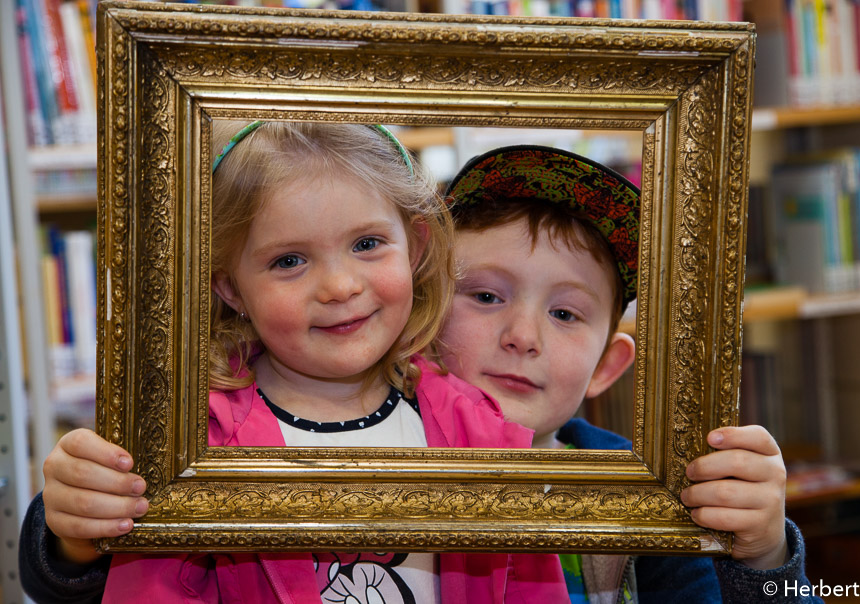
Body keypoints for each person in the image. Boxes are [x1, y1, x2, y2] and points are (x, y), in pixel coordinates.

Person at [18, 122, 568, 603]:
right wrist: (75, 526)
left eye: (368, 244)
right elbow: (122, 578)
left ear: (416, 245)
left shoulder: (479, 429)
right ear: (231, 288)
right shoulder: (192, 436)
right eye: (289, 260)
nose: (339, 286)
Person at [437, 145, 822, 603]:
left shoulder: (647, 496)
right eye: (485, 297)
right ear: (422, 317)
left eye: (564, 312)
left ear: (606, 366)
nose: (523, 336)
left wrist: (764, 557)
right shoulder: (368, 458)